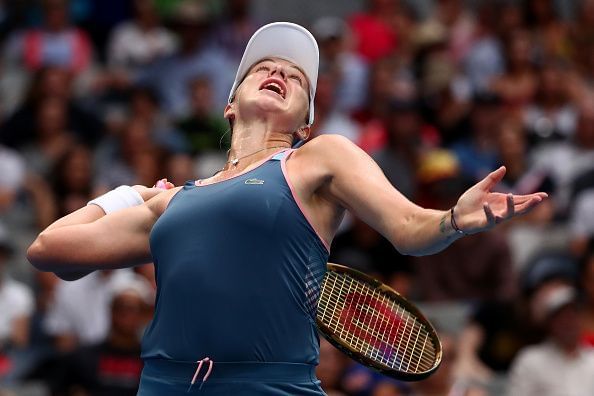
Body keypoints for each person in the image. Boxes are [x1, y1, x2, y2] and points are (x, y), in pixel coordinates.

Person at [27, 22, 547, 395]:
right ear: (229, 106)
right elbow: (50, 249)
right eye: (264, 67)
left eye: (295, 77)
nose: (279, 70)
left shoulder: (317, 158)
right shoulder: (173, 200)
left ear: (305, 123)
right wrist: (133, 194)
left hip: (269, 387)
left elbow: (410, 229)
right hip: (163, 385)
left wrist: (453, 220)